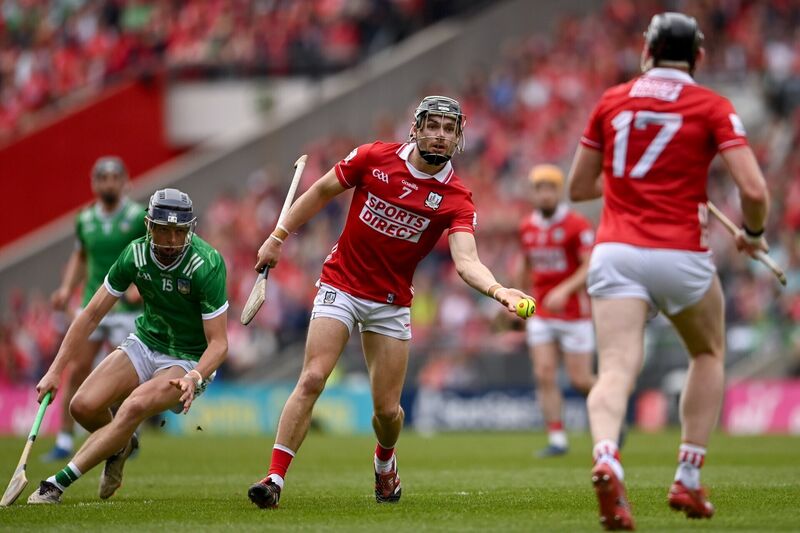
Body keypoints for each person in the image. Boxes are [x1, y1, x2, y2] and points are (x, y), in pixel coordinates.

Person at [247, 95, 534, 509]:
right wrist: (277, 237)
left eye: (448, 129)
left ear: (458, 140)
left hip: (390, 302)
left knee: (387, 413)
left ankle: (385, 463)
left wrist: (500, 290)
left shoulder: (456, 198)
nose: (439, 134)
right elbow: (323, 189)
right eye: (432, 125)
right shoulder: (373, 158)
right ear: (415, 129)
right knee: (312, 378)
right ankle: (274, 478)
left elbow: (467, 260)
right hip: (341, 283)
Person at [568, 12, 770, 530]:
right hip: (680, 253)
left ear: (646, 51)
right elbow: (753, 192)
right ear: (698, 57)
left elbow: (578, 188)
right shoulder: (711, 105)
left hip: (616, 250)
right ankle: (688, 475)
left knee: (615, 368)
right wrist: (751, 232)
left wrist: (629, 185)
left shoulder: (612, 100)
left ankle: (608, 454)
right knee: (708, 351)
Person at [28, 188, 229, 504]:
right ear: (150, 226)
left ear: (190, 229)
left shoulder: (207, 264)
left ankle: (56, 484)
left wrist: (195, 377)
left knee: (134, 406)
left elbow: (219, 343)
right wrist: (55, 370)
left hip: (188, 359)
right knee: (82, 407)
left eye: (179, 231)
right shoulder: (134, 255)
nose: (173, 240)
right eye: (165, 230)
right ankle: (121, 444)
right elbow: (91, 314)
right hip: (146, 342)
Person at [44, 156, 147, 461]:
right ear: (94, 183)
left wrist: (138, 285)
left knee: (121, 376)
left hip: (125, 308)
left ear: (125, 180)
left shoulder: (137, 215)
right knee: (76, 370)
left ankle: (125, 432)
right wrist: (66, 288)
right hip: (93, 302)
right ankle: (64, 439)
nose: (109, 184)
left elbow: (148, 255)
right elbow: (80, 257)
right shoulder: (85, 219)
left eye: (115, 178)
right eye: (103, 179)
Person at [517, 164, 595, 458]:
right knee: (544, 373)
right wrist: (515, 297)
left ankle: (611, 405)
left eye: (550, 188)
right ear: (533, 193)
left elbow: (590, 265)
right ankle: (557, 438)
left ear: (559, 191)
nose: (545, 195)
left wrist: (565, 290)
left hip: (575, 313)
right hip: (542, 312)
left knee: (580, 380)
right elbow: (525, 265)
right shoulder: (527, 226)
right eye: (540, 189)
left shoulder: (578, 225)